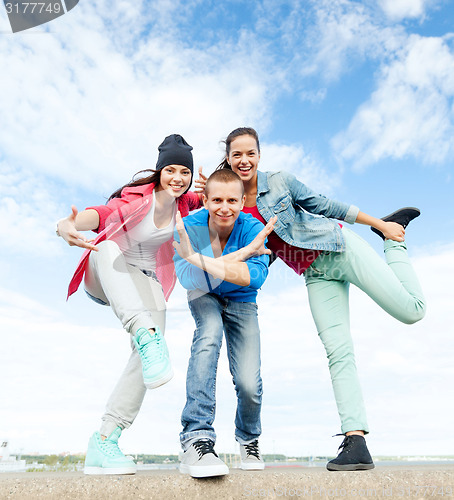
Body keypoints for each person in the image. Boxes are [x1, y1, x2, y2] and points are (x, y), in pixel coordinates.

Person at [218, 127, 426, 471]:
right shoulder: (234, 206)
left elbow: (326, 205)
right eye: (236, 154)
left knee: (412, 311)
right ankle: (355, 440)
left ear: (259, 155)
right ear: (228, 158)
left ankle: (394, 243)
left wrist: (381, 226)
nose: (244, 160)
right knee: (338, 351)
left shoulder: (280, 182)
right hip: (315, 275)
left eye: (250, 153)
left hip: (339, 248)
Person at [56, 134, 204, 475]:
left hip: (143, 281)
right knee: (107, 248)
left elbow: (227, 196)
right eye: (171, 170)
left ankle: (105, 440)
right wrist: (66, 224)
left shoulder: (187, 204)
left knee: (151, 355)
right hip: (104, 269)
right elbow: (104, 213)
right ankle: (143, 332)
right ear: (159, 171)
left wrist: (215, 185)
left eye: (185, 171)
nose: (178, 178)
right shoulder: (139, 198)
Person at [173, 169, 276, 478]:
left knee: (248, 383)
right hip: (203, 295)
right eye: (216, 200)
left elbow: (254, 277)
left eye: (232, 200)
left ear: (242, 201)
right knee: (209, 336)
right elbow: (188, 278)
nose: (224, 208)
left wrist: (199, 259)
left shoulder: (252, 227)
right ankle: (196, 438)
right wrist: (241, 256)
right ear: (205, 200)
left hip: (242, 300)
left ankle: (248, 438)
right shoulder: (190, 226)